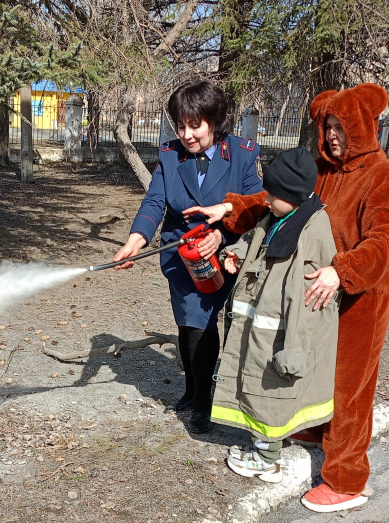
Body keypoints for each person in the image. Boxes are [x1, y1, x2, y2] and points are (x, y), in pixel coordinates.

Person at [185, 83, 389, 512]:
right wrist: (230, 209)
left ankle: (346, 479)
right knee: (308, 365)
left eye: (341, 128)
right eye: (329, 127)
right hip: (315, 294)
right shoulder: (322, 170)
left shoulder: (382, 177)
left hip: (359, 300)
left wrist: (342, 270)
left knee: (349, 388)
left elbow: (386, 239)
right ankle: (311, 426)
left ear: (364, 128)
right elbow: (277, 199)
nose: (333, 136)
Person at [112, 81, 264, 434]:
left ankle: (203, 403)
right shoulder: (170, 155)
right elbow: (155, 201)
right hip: (179, 254)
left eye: (195, 126)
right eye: (180, 126)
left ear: (215, 121)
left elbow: (257, 205)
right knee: (185, 322)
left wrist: (222, 234)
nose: (186, 135)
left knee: (200, 321)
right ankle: (192, 388)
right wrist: (137, 239)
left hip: (222, 255)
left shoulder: (242, 154)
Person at [210, 146, 338, 484]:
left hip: (281, 331)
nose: (265, 200)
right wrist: (238, 252)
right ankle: (265, 447)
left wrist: (293, 348)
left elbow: (304, 297)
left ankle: (267, 461)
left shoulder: (311, 231)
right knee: (258, 384)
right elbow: (259, 239)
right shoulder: (283, 216)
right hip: (265, 324)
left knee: (270, 392)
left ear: (293, 196)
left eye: (273, 195)